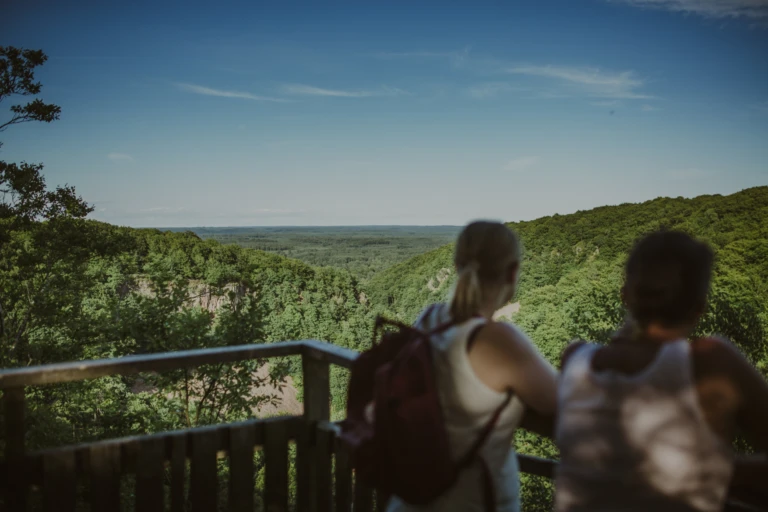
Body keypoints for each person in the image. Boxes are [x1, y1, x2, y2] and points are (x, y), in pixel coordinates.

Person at [555, 230, 768, 512]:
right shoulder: (710, 361)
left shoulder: (574, 360)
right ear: (699, 309)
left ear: (625, 296)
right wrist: (712, 469)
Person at [386, 220, 558, 512]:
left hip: (409, 502)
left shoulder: (429, 318)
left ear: (456, 266)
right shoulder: (499, 341)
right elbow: (564, 402)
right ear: (513, 273)